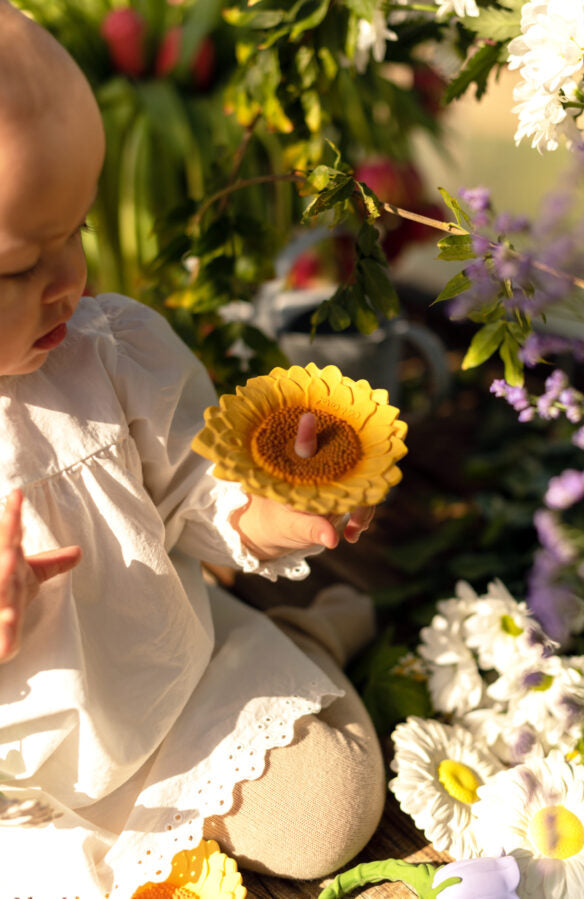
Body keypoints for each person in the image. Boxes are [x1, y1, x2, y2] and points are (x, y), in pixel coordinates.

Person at [0, 3, 386, 896]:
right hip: (21, 782)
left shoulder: (105, 355)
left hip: (162, 695)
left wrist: (272, 513)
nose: (71, 282)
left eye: (79, 234)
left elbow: (197, 491)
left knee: (328, 812)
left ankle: (297, 639)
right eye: (21, 265)